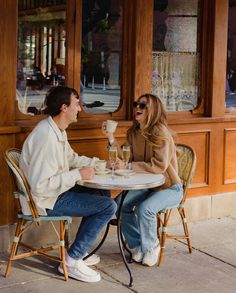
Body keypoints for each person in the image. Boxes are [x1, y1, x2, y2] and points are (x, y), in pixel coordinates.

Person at [19, 86, 117, 282]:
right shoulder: (45, 136)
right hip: (45, 201)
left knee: (102, 193)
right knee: (108, 207)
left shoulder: (57, 130)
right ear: (64, 107)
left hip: (56, 193)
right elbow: (41, 186)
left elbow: (72, 158)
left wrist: (101, 164)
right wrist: (77, 174)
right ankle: (72, 261)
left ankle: (78, 252)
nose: (80, 108)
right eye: (77, 104)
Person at [102, 93, 183, 267]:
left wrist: (129, 167)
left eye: (142, 105)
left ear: (152, 110)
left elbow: (159, 166)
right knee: (119, 205)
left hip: (170, 188)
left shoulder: (162, 134)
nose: (137, 108)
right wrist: (110, 136)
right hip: (148, 187)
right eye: (136, 104)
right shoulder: (134, 132)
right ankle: (136, 245)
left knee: (144, 209)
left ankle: (151, 246)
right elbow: (124, 158)